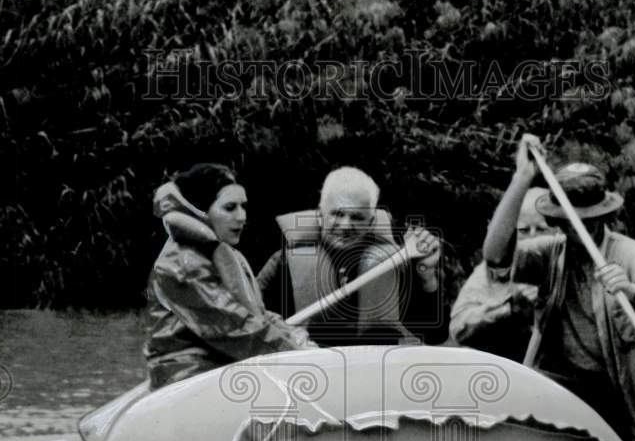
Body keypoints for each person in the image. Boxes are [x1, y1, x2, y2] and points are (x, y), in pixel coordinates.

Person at [482, 135, 635, 441]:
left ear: (604, 215)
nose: (585, 226)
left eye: (593, 217)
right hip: (561, 387)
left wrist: (633, 292)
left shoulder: (628, 253)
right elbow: (494, 257)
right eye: (577, 219)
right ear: (559, 221)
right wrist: (522, 178)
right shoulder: (550, 253)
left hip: (613, 394)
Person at [144, 163, 316, 389]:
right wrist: (299, 354)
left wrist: (294, 335)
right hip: (185, 378)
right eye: (230, 208)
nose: (242, 216)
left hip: (214, 368)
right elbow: (235, 328)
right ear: (201, 211)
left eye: (243, 207)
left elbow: (256, 316)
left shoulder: (217, 254)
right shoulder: (180, 264)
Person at [257, 167, 448, 346]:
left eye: (357, 217)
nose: (346, 225)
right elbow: (251, 327)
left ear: (371, 221)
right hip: (309, 373)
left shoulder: (393, 263)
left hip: (374, 373)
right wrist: (282, 334)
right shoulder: (282, 264)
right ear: (320, 215)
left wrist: (427, 276)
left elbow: (436, 335)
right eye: (338, 214)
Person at [449, 186, 552, 362]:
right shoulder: (495, 269)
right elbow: (460, 329)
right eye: (524, 230)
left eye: (542, 229)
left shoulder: (567, 264)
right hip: (507, 371)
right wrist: (511, 307)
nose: (533, 238)